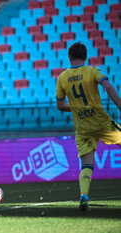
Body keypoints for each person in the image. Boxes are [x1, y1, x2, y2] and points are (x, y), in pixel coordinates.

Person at [55, 42, 121, 211]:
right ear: (86, 56)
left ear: (69, 57)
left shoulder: (62, 77)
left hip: (82, 128)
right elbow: (107, 86)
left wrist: (77, 107)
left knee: (87, 165)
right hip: (101, 122)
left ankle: (84, 195)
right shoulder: (92, 71)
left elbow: (60, 106)